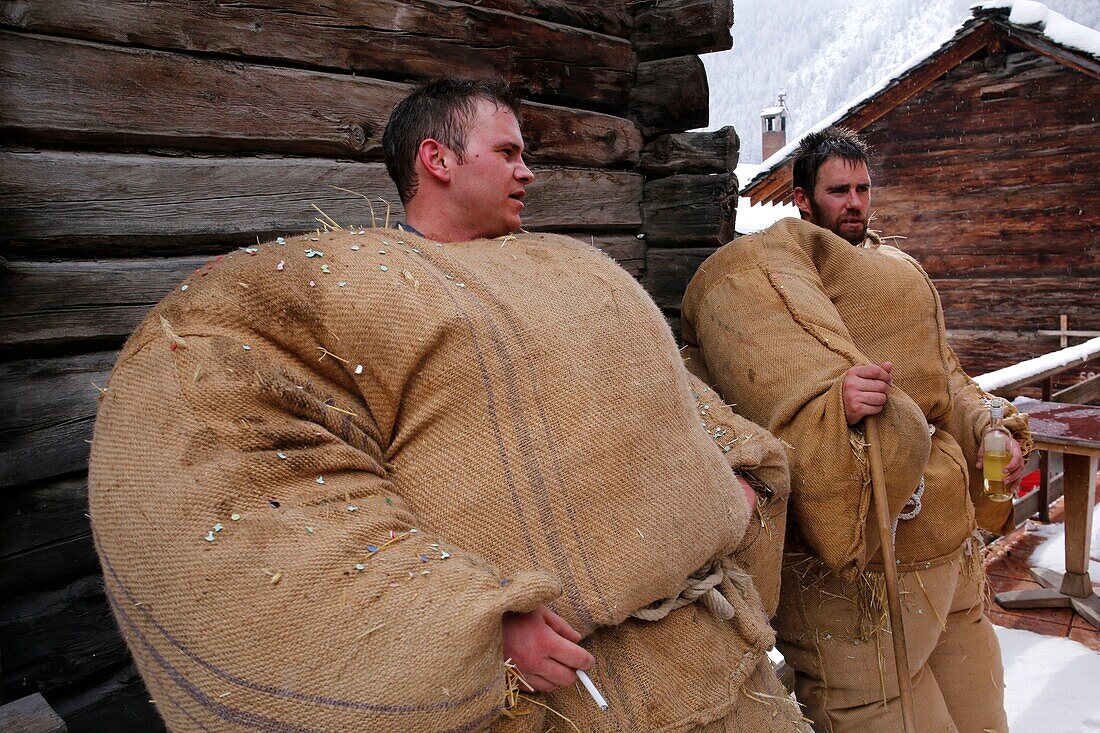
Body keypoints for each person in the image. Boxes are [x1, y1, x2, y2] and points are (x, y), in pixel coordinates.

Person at [90, 78, 805, 731]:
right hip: (566, 702)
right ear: (438, 159)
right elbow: (250, 485)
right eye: (508, 151)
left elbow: (668, 388)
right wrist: (465, 628)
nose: (528, 170)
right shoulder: (348, 286)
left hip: (722, 661)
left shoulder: (574, 264)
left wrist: (733, 475)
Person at [680, 126, 1031, 733]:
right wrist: (829, 404)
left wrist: (989, 424)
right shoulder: (769, 278)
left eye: (863, 189)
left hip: (952, 547)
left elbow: (945, 374)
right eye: (838, 190)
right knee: (878, 713)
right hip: (870, 573)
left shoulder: (898, 270)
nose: (855, 203)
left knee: (983, 715)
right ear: (803, 198)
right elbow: (764, 384)